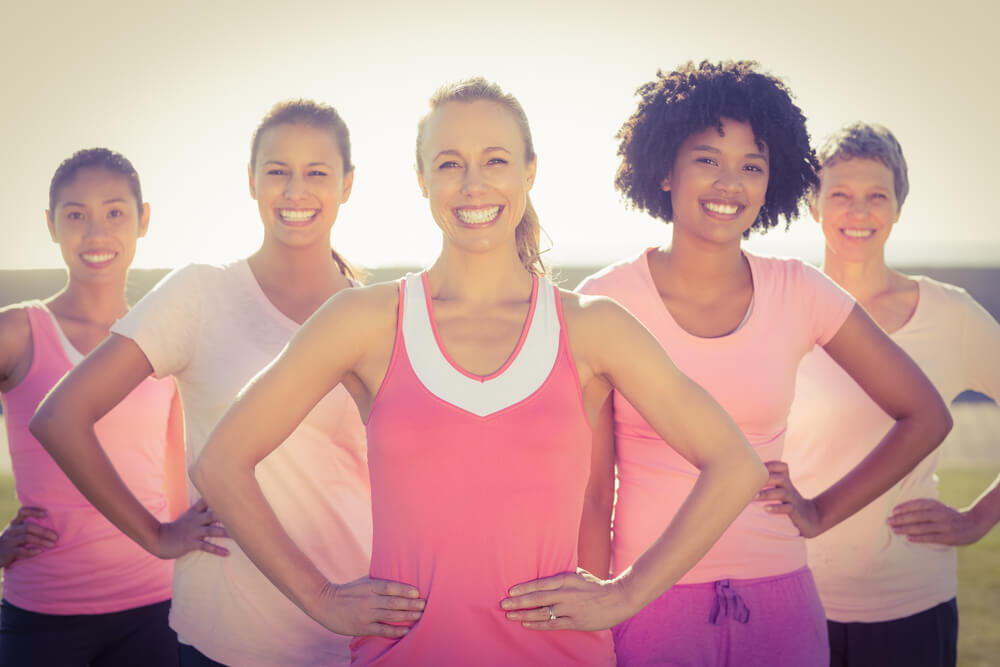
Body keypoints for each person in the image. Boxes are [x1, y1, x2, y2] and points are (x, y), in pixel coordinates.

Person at [189, 77, 767, 666]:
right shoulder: (364, 320)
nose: (472, 184)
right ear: (421, 179)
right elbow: (221, 462)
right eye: (449, 164)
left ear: (529, 172)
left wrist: (626, 594)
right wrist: (321, 598)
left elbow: (734, 465)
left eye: (495, 160)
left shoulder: (594, 326)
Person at [575, 61, 953, 667]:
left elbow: (925, 415)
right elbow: (592, 491)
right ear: (664, 169)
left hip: (781, 604)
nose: (731, 184)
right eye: (707, 159)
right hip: (648, 605)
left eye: (752, 166)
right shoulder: (607, 299)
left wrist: (819, 511)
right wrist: (592, 617)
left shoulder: (800, 291)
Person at [30, 102, 395, 666]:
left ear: (347, 185)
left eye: (317, 172)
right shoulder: (199, 295)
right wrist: (155, 536)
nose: (295, 189)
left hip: (362, 630)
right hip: (229, 636)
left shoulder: (382, 314)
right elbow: (60, 417)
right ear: (252, 182)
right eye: (277, 171)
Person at [781, 122, 1000, 667]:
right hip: (792, 598)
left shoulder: (949, 314)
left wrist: (978, 518)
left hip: (911, 602)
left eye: (877, 195)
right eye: (841, 195)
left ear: (899, 207)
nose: (859, 212)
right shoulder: (781, 305)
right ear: (813, 204)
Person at [0, 148, 224, 666]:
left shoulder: (163, 343)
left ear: (143, 220)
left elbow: (174, 474)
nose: (95, 232)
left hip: (156, 611)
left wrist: (179, 544)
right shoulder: (18, 332)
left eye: (114, 212)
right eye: (75, 214)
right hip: (42, 615)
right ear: (51, 226)